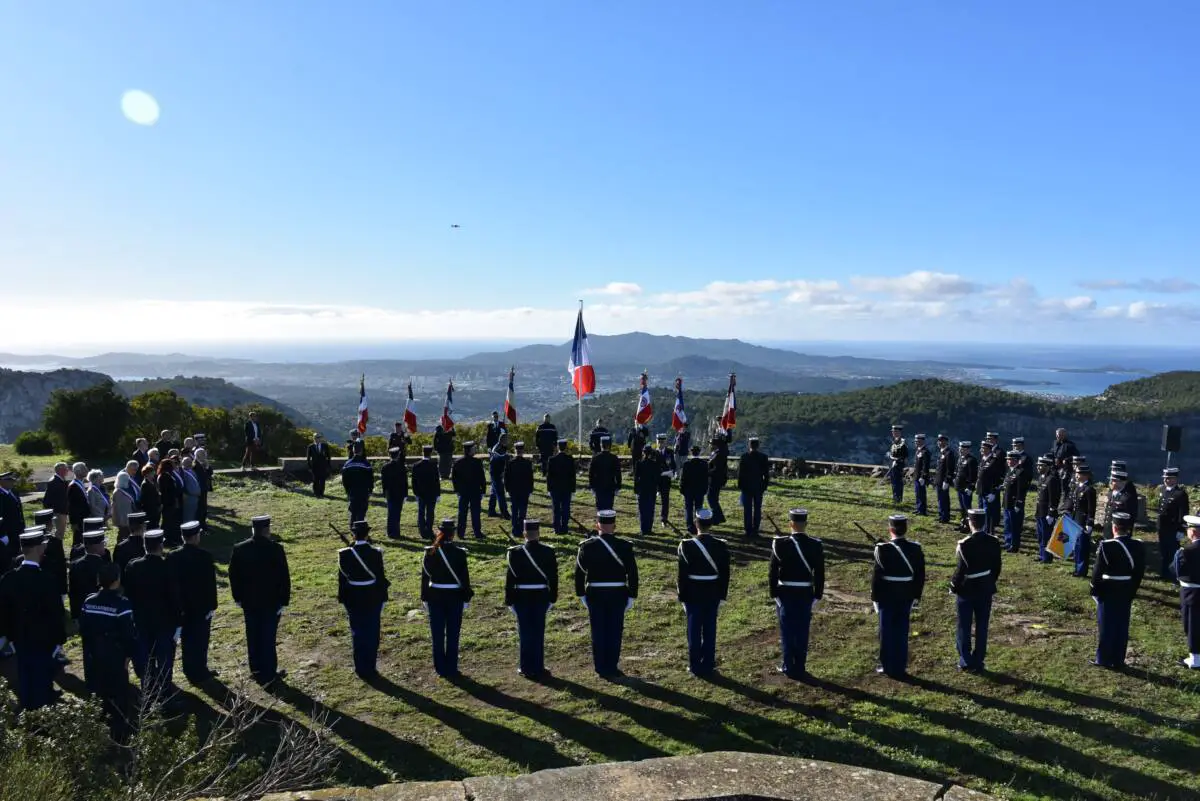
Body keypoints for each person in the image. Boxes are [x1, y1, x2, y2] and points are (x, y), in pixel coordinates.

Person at [0, 528, 67, 710]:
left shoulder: (9, 579)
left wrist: (10, 639)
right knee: (42, 682)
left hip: (20, 640)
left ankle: (29, 715)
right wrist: (59, 642)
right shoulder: (46, 580)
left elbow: (4, 614)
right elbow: (56, 614)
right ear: (38, 549)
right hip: (43, 641)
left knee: (26, 680)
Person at [574, 509, 638, 678]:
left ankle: (600, 666)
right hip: (618, 593)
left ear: (597, 525)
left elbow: (579, 573)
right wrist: (632, 595)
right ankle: (612, 665)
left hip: (595, 593)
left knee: (598, 631)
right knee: (615, 631)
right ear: (615, 526)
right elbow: (632, 573)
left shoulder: (587, 547)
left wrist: (581, 594)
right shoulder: (625, 546)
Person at [229, 515, 290, 686]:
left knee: (253, 634)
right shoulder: (276, 549)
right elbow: (284, 577)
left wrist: (238, 598)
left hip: (249, 602)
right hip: (271, 602)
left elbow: (234, 576)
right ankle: (269, 671)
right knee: (268, 637)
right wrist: (283, 601)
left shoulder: (240, 549)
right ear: (266, 529)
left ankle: (255, 668)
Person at [79, 562, 137, 741]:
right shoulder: (122, 604)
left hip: (93, 655)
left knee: (98, 692)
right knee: (119, 695)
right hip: (115, 657)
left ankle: (100, 727)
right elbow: (129, 635)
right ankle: (120, 732)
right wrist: (128, 658)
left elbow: (84, 630)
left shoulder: (89, 602)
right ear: (116, 581)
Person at [123, 528, 180, 700]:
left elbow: (128, 595)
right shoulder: (167, 566)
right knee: (164, 660)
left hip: (141, 621)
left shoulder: (133, 566)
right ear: (161, 545)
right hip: (164, 622)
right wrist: (178, 622)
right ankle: (165, 693)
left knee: (145, 660)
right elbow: (174, 597)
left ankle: (148, 691)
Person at [768, 508, 823, 681]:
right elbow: (820, 572)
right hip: (805, 592)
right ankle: (800, 665)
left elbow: (772, 572)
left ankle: (788, 665)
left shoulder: (780, 544)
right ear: (805, 524)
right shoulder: (815, 544)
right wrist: (817, 595)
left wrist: (774, 594)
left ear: (790, 524)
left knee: (787, 630)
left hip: (785, 593)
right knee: (802, 630)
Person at [677, 508, 731, 677]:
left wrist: (682, 596)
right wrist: (722, 595)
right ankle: (708, 663)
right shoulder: (721, 545)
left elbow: (682, 575)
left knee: (693, 630)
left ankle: (694, 665)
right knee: (710, 629)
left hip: (693, 592)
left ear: (696, 524)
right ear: (711, 524)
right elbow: (725, 574)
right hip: (713, 592)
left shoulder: (686, 545)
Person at [872, 514, 925, 679]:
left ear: (890, 529)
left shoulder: (882, 549)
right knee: (902, 631)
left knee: (886, 631)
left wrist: (875, 597)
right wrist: (916, 595)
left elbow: (877, 577)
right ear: (906, 529)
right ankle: (900, 665)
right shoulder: (915, 548)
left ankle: (887, 665)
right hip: (906, 594)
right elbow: (920, 575)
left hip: (887, 595)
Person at [1089, 511, 1145, 669]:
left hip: (1108, 589)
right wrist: (1132, 590)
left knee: (1106, 625)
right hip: (1126, 588)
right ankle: (1118, 659)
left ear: (1114, 528)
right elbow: (1139, 572)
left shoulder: (1107, 546)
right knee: (1122, 624)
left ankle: (1103, 659)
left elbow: (1097, 572)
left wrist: (1094, 590)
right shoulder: (1138, 545)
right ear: (1128, 528)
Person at [505, 519, 558, 679]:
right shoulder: (548, 552)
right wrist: (552, 598)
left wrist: (509, 600)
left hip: (521, 596)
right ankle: (538, 666)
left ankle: (525, 666)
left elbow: (510, 580)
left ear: (524, 534)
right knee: (538, 632)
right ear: (539, 534)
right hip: (541, 596)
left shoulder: (515, 553)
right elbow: (553, 578)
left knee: (524, 632)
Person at [951, 509, 1002, 672]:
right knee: (982, 625)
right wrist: (988, 581)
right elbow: (997, 567)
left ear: (970, 523)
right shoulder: (994, 542)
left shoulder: (964, 544)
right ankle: (978, 660)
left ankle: (965, 660)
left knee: (964, 626)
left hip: (967, 589)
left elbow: (960, 571)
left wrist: (953, 586)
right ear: (984, 523)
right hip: (985, 588)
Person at [168, 521, 219, 684]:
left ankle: (189, 668)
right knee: (201, 640)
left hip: (181, 606)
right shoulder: (204, 556)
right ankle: (200, 669)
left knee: (186, 639)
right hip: (201, 606)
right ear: (196, 536)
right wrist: (212, 605)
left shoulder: (173, 556)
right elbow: (210, 584)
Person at [421, 519, 473, 678]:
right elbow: (464, 578)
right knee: (453, 633)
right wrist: (466, 597)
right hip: (454, 596)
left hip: (435, 596)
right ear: (453, 534)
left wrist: (424, 597)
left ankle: (440, 666)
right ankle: (451, 666)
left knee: (437, 633)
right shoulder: (459, 553)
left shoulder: (430, 552)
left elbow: (425, 578)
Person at [338, 520, 389, 680]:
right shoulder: (376, 553)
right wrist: (383, 598)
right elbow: (380, 578)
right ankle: (371, 666)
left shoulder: (344, 554)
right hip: (372, 595)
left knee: (357, 632)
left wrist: (343, 598)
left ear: (353, 535)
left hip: (353, 596)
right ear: (367, 534)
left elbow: (342, 580)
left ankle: (360, 667)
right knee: (372, 632)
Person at [1062, 462, 1098, 577]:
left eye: (1079, 474)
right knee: (1076, 546)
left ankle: (1082, 570)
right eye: (1076, 473)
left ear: (1086, 475)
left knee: (1082, 547)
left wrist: (1090, 522)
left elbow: (1091, 508)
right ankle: (1077, 568)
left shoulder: (1089, 490)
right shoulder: (1077, 487)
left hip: (1083, 521)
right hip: (1075, 520)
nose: (1076, 476)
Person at [1173, 515, 1200, 669]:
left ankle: (1195, 659)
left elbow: (1176, 570)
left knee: (1192, 624)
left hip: (1191, 592)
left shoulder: (1186, 550)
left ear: (1193, 532)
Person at [69, 525, 110, 625]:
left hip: (83, 612)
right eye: (103, 543)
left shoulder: (75, 565)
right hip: (102, 612)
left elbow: (72, 593)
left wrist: (75, 616)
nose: (104, 546)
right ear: (96, 546)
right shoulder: (103, 565)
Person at [1158, 468, 1190, 579]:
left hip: (1173, 528)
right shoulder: (1163, 490)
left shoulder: (1180, 494)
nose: (1166, 480)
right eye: (1165, 478)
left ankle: (1172, 574)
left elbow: (1183, 513)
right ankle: (1163, 573)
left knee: (1172, 552)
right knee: (1163, 551)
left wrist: (1181, 530)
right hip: (1163, 527)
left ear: (1175, 479)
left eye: (1169, 478)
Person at [452, 441, 487, 539]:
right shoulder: (477, 462)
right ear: (470, 450)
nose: (475, 450)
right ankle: (477, 533)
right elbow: (482, 478)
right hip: (475, 491)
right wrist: (483, 490)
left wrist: (457, 490)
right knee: (475, 514)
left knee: (462, 514)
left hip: (463, 492)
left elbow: (454, 479)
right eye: (473, 449)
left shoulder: (458, 462)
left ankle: (460, 533)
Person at [738, 436, 770, 538]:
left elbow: (740, 474)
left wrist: (741, 486)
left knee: (747, 509)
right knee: (757, 509)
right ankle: (755, 530)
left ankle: (748, 530)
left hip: (746, 487)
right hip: (758, 486)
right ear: (758, 445)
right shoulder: (763, 457)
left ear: (749, 445)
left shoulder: (744, 457)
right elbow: (766, 474)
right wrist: (764, 486)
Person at [1034, 455, 1061, 563]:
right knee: (1040, 535)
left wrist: (1051, 512)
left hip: (1047, 513)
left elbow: (1054, 497)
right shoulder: (1042, 478)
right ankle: (1042, 554)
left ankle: (1047, 557)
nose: (1038, 468)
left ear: (1047, 466)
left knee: (1046, 536)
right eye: (1038, 465)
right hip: (1040, 511)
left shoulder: (1052, 479)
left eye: (1041, 466)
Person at [546, 439, 576, 535]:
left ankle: (557, 528)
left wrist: (549, 488)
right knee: (566, 509)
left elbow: (549, 476)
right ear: (566, 447)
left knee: (556, 509)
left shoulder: (552, 459)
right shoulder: (570, 459)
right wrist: (573, 489)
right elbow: (573, 476)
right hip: (567, 488)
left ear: (558, 447)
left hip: (555, 488)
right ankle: (565, 528)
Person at [340, 441, 374, 528]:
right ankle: (360, 531)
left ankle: (352, 529)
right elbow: (370, 479)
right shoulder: (366, 464)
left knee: (353, 511)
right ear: (361, 451)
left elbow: (344, 480)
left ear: (353, 451)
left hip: (352, 491)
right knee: (361, 511)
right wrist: (370, 490)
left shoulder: (347, 464)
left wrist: (347, 490)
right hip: (363, 491)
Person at [413, 444, 442, 541]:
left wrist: (415, 493)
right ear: (430, 454)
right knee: (430, 513)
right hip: (431, 494)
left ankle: (422, 532)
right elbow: (436, 481)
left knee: (421, 513)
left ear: (422, 452)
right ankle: (429, 530)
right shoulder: (433, 465)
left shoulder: (416, 465)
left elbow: (414, 482)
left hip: (420, 493)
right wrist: (438, 494)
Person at [505, 442, 536, 533]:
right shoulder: (527, 463)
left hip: (513, 490)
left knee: (514, 510)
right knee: (522, 510)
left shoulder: (510, 463)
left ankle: (515, 529)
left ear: (515, 451)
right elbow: (530, 478)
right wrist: (530, 489)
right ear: (523, 451)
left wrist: (507, 489)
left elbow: (506, 478)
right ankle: (522, 528)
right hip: (524, 490)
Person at [379, 447, 409, 540]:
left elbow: (384, 483)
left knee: (390, 513)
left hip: (390, 493)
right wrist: (406, 494)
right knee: (397, 513)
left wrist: (384, 493)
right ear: (398, 455)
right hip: (399, 493)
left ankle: (390, 532)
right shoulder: (402, 467)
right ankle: (396, 532)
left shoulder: (385, 467)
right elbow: (405, 482)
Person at [679, 446, 708, 534]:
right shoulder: (704, 464)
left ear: (691, 453)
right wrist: (705, 489)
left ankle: (690, 526)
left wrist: (682, 489)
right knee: (699, 508)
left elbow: (683, 478)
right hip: (699, 490)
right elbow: (706, 479)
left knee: (689, 508)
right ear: (699, 452)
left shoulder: (687, 464)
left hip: (689, 490)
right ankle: (699, 525)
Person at [975, 442, 1002, 535]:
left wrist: (993, 492)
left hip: (988, 491)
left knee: (988, 513)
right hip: (981, 490)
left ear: (989, 449)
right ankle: (983, 530)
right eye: (982, 448)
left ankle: (989, 532)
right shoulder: (983, 459)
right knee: (982, 511)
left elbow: (996, 478)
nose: (982, 450)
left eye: (984, 448)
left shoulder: (993, 460)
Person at [588, 437, 621, 512]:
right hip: (610, 486)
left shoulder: (595, 458)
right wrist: (618, 486)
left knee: (600, 509)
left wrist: (592, 486)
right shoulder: (614, 458)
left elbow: (591, 474)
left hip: (598, 487)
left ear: (600, 445)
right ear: (610, 445)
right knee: (609, 508)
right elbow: (618, 474)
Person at [1001, 450, 1025, 553]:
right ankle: (1008, 542)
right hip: (1007, 502)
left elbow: (1021, 489)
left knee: (1014, 525)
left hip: (1014, 503)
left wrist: (1018, 503)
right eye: (1008, 459)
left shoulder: (1021, 472)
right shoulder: (1010, 471)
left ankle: (1014, 545)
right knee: (1007, 524)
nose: (1008, 461)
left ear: (1016, 460)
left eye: (1010, 459)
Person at [633, 444, 660, 535]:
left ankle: (643, 529)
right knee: (650, 509)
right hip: (651, 489)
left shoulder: (639, 463)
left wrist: (636, 490)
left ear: (643, 452)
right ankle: (649, 529)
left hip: (642, 489)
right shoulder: (654, 464)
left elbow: (636, 478)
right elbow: (657, 478)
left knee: (642, 510)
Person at [156, 458, 184, 548]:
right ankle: (167, 540)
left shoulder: (167, 475)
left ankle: (172, 538)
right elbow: (167, 491)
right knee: (168, 522)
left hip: (170, 502)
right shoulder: (164, 476)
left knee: (171, 521)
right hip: (168, 503)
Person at [0, 470, 26, 563]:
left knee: (19, 552)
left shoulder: (13, 492)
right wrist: (3, 534)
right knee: (9, 555)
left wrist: (23, 526)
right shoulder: (1, 495)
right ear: (2, 482)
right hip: (7, 531)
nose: (12, 483)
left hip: (18, 528)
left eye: (12, 480)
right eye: (9, 481)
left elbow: (19, 511)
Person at [1103, 468, 1140, 532]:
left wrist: (1127, 531)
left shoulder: (1127, 497)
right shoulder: (1111, 493)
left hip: (1119, 531)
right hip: (1108, 528)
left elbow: (1132, 515)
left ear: (1122, 482)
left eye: (1114, 480)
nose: (1111, 482)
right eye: (1111, 480)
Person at [42, 461, 71, 540]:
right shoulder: (55, 481)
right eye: (66, 469)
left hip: (61, 510)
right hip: (59, 511)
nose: (67, 470)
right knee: (59, 532)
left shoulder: (60, 480)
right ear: (60, 470)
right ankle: (57, 549)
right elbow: (51, 498)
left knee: (61, 532)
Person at [932, 434, 956, 524]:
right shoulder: (942, 452)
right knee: (940, 499)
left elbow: (950, 469)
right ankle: (941, 515)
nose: (940, 442)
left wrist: (947, 480)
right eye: (939, 441)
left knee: (944, 499)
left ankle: (945, 517)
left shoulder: (949, 453)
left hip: (943, 481)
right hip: (939, 480)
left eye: (942, 441)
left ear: (946, 442)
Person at [654, 434, 676, 527]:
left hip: (666, 480)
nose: (661, 443)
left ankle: (664, 519)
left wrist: (672, 472)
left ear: (665, 442)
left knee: (665, 501)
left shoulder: (669, 452)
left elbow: (673, 464)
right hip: (655, 480)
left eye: (662, 442)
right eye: (659, 441)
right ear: (657, 441)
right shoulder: (653, 452)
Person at [707, 434, 730, 526]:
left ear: (715, 445)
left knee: (711, 498)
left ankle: (718, 517)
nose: (710, 445)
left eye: (711, 444)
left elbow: (717, 469)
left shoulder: (719, 455)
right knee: (713, 498)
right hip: (714, 479)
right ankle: (718, 517)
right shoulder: (717, 453)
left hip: (716, 479)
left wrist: (707, 472)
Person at [487, 434, 511, 519]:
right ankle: (505, 513)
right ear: (503, 440)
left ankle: (491, 511)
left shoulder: (502, 446)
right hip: (495, 473)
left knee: (494, 492)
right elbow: (495, 458)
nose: (508, 441)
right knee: (500, 493)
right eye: (507, 440)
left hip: (498, 472)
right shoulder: (497, 448)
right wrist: (503, 457)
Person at [1051, 428, 1080, 497]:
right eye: (1057, 435)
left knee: (1064, 488)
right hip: (1055, 469)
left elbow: (1076, 456)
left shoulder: (1070, 445)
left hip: (1065, 469)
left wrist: (1066, 460)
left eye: (1060, 435)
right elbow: (1053, 452)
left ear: (1064, 435)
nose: (1058, 437)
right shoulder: (1055, 443)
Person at [68, 462, 90, 544]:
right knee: (78, 541)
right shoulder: (74, 486)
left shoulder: (80, 483)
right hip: (78, 519)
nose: (87, 470)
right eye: (84, 468)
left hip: (83, 517)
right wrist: (74, 522)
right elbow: (72, 506)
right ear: (78, 471)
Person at [112, 471, 138, 542]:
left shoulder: (126, 490)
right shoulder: (118, 492)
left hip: (129, 518)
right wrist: (124, 522)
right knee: (123, 535)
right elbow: (120, 509)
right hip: (124, 520)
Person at [887, 425, 909, 505]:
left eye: (896, 432)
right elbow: (892, 453)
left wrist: (898, 460)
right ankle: (895, 497)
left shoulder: (902, 442)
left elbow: (905, 455)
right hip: (892, 465)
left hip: (899, 465)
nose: (894, 433)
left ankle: (898, 499)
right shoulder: (895, 442)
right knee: (893, 482)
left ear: (900, 432)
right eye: (893, 432)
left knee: (898, 483)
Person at [307, 433, 333, 499]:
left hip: (323, 466)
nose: (317, 439)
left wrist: (328, 465)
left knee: (322, 480)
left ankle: (321, 493)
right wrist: (309, 467)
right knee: (315, 480)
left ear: (321, 438)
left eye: (319, 437)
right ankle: (316, 493)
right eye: (316, 437)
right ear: (314, 438)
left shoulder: (325, 446)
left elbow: (328, 456)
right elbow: (308, 458)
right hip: (314, 466)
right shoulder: (311, 446)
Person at [193, 448, 213, 529]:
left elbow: (211, 472)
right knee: (200, 508)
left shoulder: (204, 463)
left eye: (204, 454)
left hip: (204, 488)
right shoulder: (195, 465)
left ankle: (204, 524)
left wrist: (207, 466)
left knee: (204, 507)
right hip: (199, 489)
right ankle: (200, 525)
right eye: (202, 454)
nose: (204, 456)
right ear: (197, 455)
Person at [912, 434, 931, 516]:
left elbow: (925, 465)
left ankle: (922, 510)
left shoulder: (925, 452)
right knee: (917, 493)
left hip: (921, 477)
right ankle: (918, 508)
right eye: (916, 441)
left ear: (923, 441)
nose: (917, 443)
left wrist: (923, 476)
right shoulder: (918, 451)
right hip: (916, 476)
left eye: (918, 441)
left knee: (921, 494)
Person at [180, 456, 202, 525]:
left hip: (195, 497)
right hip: (189, 498)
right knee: (187, 517)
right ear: (182, 463)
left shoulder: (192, 471)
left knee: (192, 516)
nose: (188, 463)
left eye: (189, 461)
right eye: (186, 461)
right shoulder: (182, 472)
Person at [140, 463, 161, 529]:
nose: (154, 474)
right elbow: (148, 499)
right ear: (147, 474)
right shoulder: (145, 484)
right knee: (152, 525)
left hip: (155, 508)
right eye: (152, 472)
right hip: (151, 509)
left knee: (156, 524)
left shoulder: (152, 481)